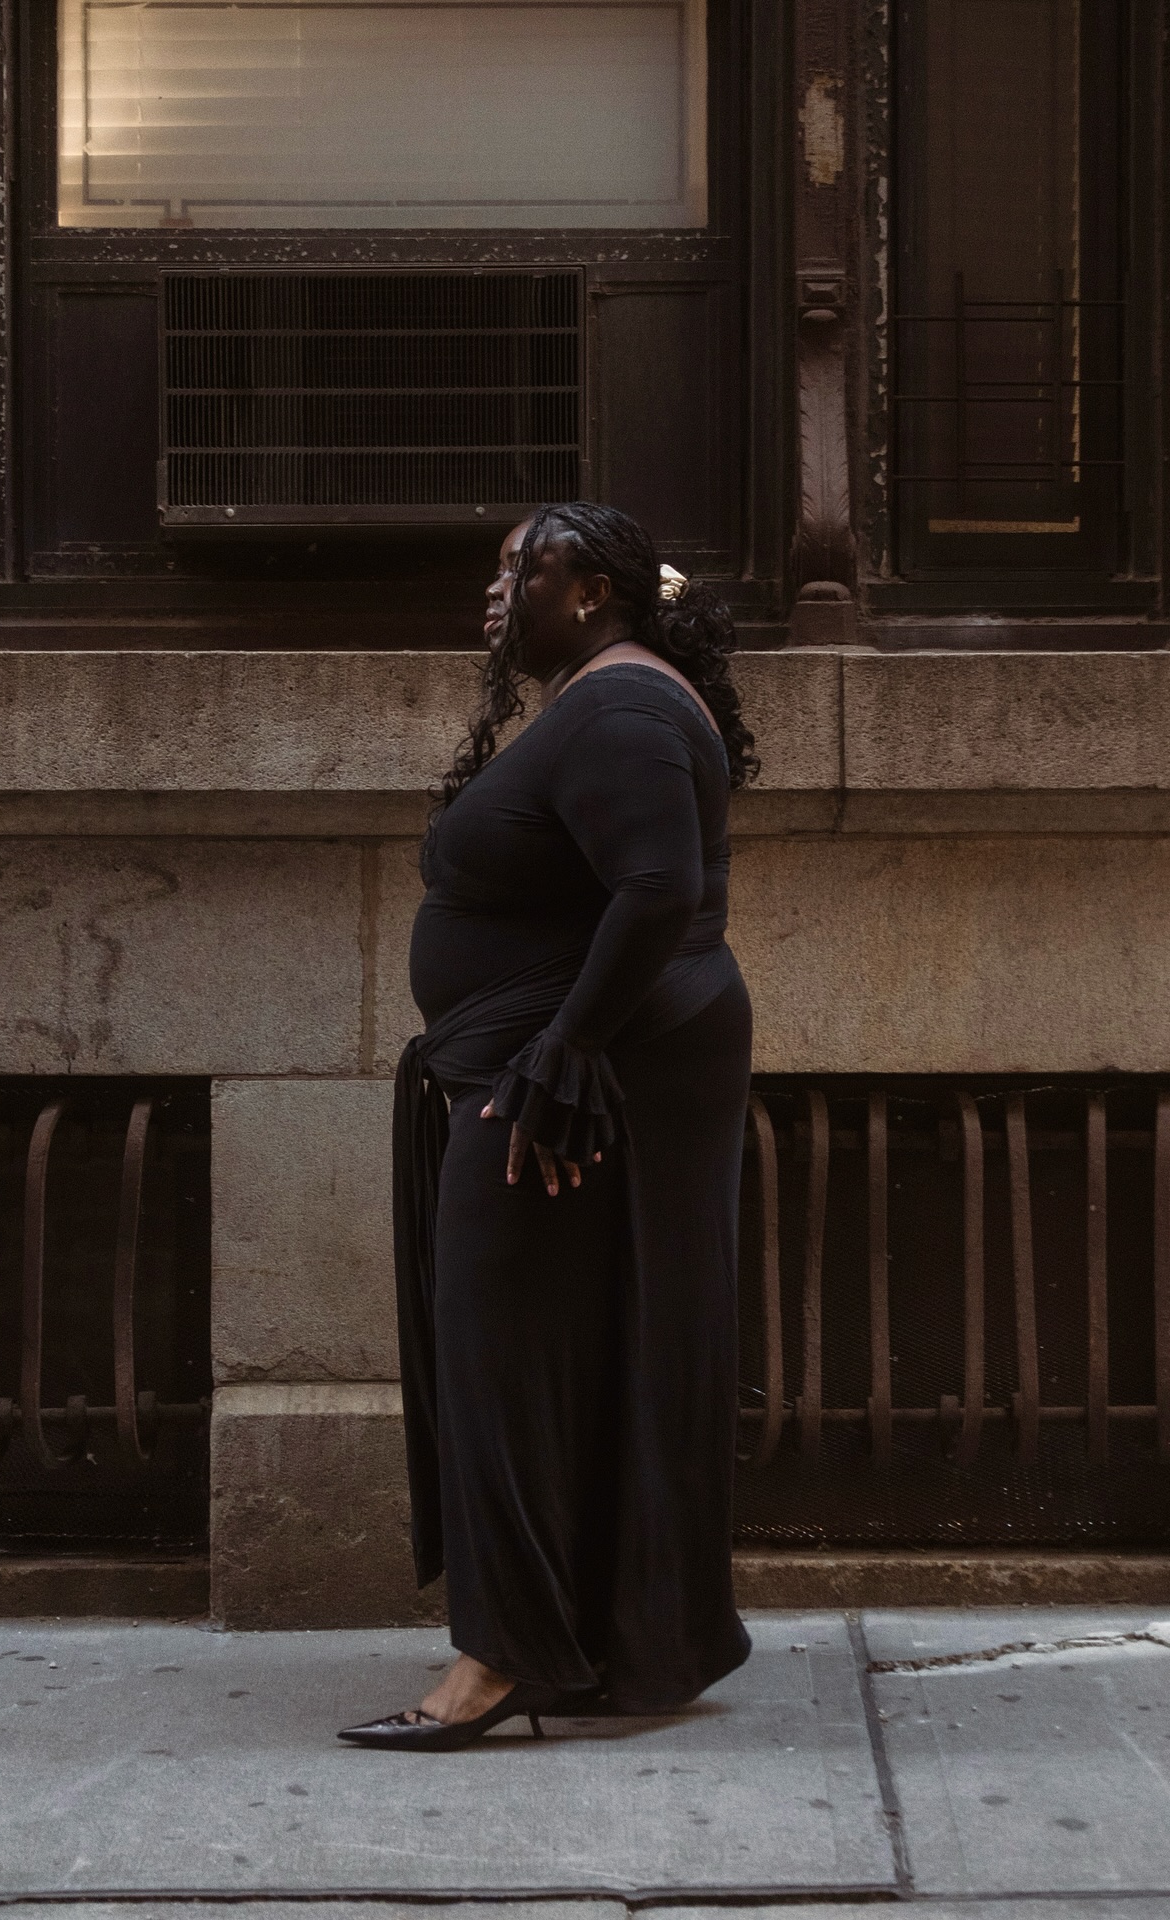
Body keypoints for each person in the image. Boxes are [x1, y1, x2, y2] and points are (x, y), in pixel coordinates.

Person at [338, 502, 759, 1752]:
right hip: (571, 1071)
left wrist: (565, 1051)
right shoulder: (611, 696)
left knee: (501, 1351)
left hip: (569, 1084)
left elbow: (659, 888)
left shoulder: (622, 705)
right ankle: (624, 1640)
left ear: (588, 591)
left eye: (516, 569)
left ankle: (505, 1657)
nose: (492, 593)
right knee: (582, 1349)